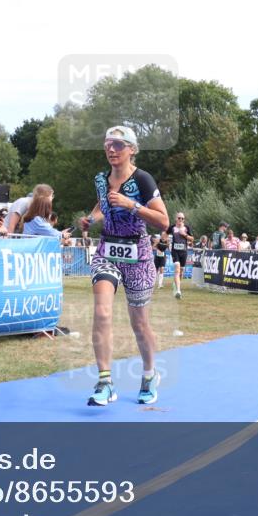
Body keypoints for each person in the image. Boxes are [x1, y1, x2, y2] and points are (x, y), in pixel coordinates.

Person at [79, 125, 168, 407]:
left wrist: (131, 205)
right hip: (107, 249)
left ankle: (149, 374)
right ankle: (105, 381)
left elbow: (163, 221)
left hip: (138, 254)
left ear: (132, 149)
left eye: (118, 144)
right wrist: (92, 219)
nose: (111, 149)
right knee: (102, 312)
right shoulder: (101, 179)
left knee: (139, 323)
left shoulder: (142, 179)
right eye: (108, 144)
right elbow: (102, 204)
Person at [169, 212, 193, 299]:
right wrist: (166, 241)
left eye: (182, 218)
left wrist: (184, 235)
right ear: (176, 218)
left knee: (181, 272)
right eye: (179, 218)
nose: (180, 220)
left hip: (184, 252)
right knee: (177, 270)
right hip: (175, 251)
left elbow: (192, 238)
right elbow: (165, 234)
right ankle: (178, 291)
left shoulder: (186, 228)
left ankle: (176, 284)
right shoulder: (172, 228)